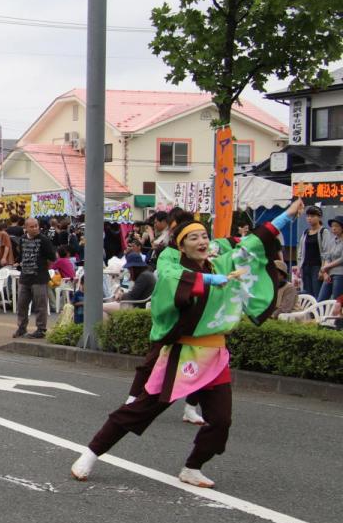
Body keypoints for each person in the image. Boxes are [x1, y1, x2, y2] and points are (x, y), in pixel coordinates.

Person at [70, 199, 300, 489]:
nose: (201, 241)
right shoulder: (172, 264)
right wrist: (209, 280)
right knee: (141, 410)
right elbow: (170, 282)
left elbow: (253, 242)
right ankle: (91, 452)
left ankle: (192, 467)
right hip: (183, 352)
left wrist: (288, 216)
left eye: (204, 236)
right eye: (193, 237)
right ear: (181, 246)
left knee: (220, 420)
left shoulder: (222, 261)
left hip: (215, 354)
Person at [13, 217, 56, 339]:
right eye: (31, 226)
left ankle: (41, 329)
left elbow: (52, 257)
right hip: (25, 277)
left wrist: (43, 267)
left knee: (40, 305)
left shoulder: (44, 240)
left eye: (36, 226)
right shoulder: (22, 240)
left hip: (39, 278)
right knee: (22, 304)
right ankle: (21, 328)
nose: (35, 228)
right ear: (25, 228)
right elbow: (21, 255)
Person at [103, 251, 156, 317]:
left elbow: (132, 297)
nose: (128, 270)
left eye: (129, 268)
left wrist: (121, 296)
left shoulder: (144, 276)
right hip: (135, 304)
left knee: (100, 307)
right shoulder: (145, 274)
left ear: (134, 268)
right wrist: (121, 292)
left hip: (135, 306)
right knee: (104, 311)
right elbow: (126, 289)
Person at [296, 205, 329, 296]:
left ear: (319, 217)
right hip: (305, 266)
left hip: (317, 266)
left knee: (317, 293)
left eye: (313, 216)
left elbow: (326, 252)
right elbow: (300, 251)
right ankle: (309, 311)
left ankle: (318, 310)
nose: (309, 218)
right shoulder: (306, 232)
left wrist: (323, 269)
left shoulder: (324, 232)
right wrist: (299, 267)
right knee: (307, 293)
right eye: (308, 216)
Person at [315, 216, 343, 302]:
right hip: (329, 273)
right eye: (332, 226)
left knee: (336, 300)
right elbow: (327, 257)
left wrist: (326, 267)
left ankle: (335, 315)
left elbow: (342, 259)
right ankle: (315, 315)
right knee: (321, 299)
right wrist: (325, 273)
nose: (334, 228)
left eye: (336, 226)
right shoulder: (332, 241)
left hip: (340, 274)